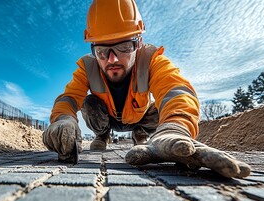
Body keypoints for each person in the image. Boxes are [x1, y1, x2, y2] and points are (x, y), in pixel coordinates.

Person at [43, 0, 251, 178]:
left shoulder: (152, 60)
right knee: (89, 104)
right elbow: (69, 97)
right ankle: (103, 136)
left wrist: (176, 128)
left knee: (159, 108)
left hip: (140, 116)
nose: (112, 59)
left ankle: (141, 135)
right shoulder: (87, 66)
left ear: (139, 43)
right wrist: (62, 119)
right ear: (93, 48)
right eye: (102, 51)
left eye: (124, 47)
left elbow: (176, 89)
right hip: (107, 119)